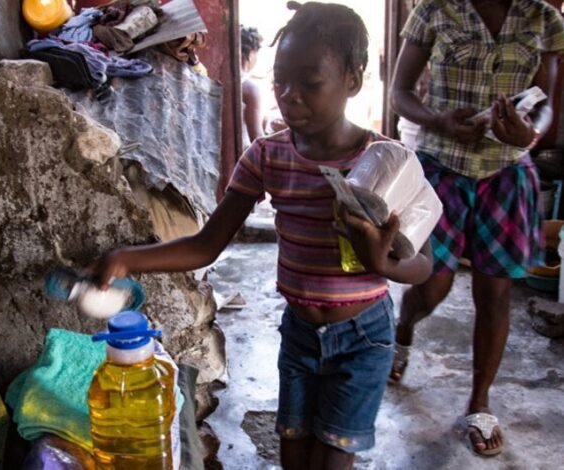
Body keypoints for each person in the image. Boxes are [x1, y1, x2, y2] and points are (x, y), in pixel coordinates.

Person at [91, 3, 433, 469]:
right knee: (293, 451)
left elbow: (424, 264)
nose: (290, 96)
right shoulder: (266, 157)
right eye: (280, 81)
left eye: (309, 83)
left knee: (334, 457)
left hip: (363, 338)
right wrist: (129, 258)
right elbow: (206, 245)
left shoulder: (386, 163)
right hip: (300, 334)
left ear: (353, 80)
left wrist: (384, 265)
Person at [388, 0, 564, 457]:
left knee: (496, 292)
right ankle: (402, 331)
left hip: (505, 174)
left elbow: (544, 105)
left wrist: (530, 135)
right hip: (442, 169)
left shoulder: (543, 18)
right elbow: (400, 92)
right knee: (430, 287)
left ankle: (479, 403)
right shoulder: (434, 11)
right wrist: (435, 119)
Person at [241, 26, 265, 147]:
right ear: (251, 54)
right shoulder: (250, 88)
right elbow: (257, 138)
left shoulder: (219, 79)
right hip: (242, 156)